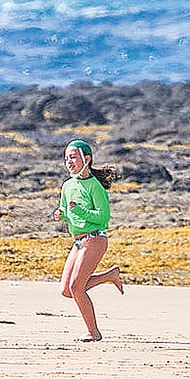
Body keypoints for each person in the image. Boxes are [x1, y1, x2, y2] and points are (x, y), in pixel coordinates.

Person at [56, 140, 128, 342]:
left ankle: (93, 332)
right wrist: (60, 214)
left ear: (86, 159)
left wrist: (78, 210)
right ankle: (109, 276)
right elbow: (64, 209)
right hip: (77, 241)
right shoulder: (68, 185)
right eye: (66, 158)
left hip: (95, 239)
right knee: (66, 290)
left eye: (73, 157)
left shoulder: (95, 187)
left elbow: (103, 218)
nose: (68, 162)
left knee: (76, 288)